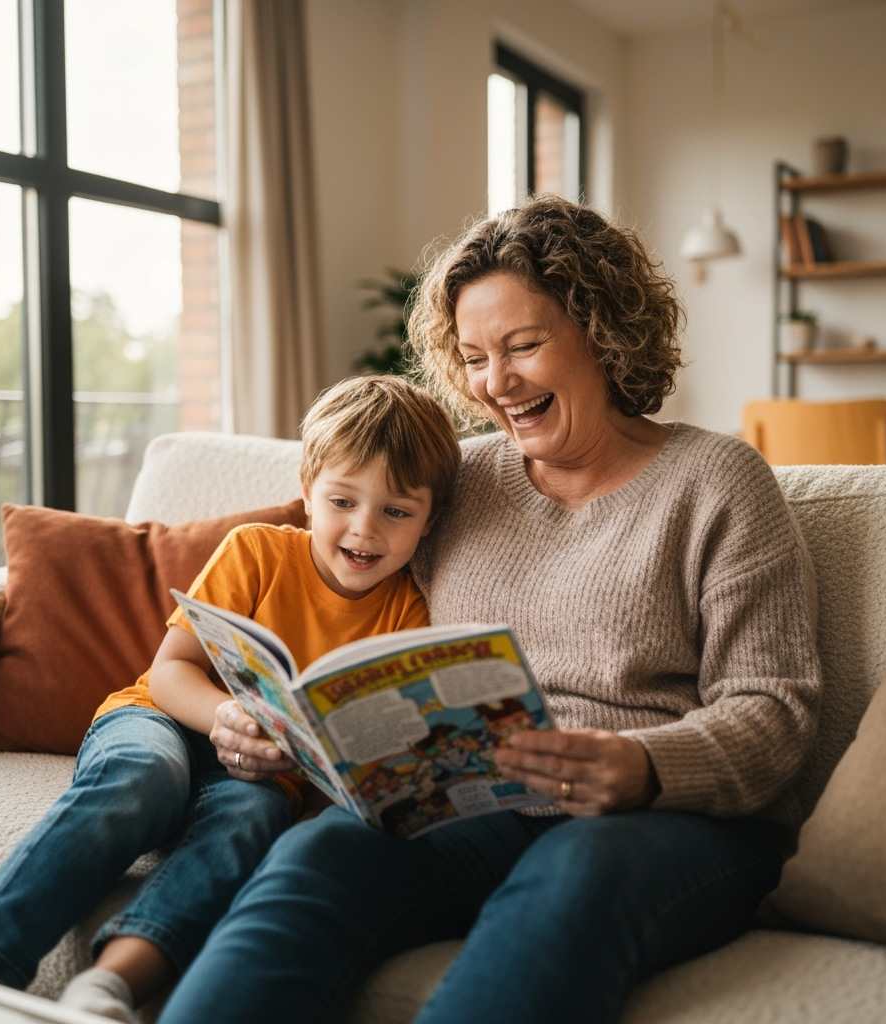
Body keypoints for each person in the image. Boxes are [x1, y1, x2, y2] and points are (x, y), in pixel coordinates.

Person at [158, 195, 823, 1024]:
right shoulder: (461, 482)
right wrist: (255, 714)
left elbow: (778, 713)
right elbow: (336, 562)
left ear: (602, 329)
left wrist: (644, 765)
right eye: (473, 357)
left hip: (670, 817)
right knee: (321, 852)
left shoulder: (719, 482)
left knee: (574, 876)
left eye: (523, 346)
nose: (495, 383)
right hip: (480, 799)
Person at [0, 375, 460, 1022]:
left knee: (250, 820)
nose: (364, 530)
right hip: (164, 717)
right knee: (142, 774)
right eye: (343, 500)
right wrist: (226, 713)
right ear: (309, 494)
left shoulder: (410, 614)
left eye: (397, 512)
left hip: (268, 770)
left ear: (430, 523)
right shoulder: (256, 550)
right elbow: (172, 669)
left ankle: (108, 988)